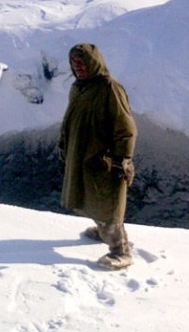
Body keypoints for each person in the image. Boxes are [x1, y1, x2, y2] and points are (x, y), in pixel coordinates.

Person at [58, 43, 138, 270]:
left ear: (94, 63)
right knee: (88, 197)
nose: (79, 68)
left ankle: (120, 250)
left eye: (83, 63)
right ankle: (104, 230)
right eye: (74, 64)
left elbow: (126, 127)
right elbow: (70, 120)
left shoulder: (109, 89)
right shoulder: (79, 88)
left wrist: (123, 158)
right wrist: (64, 146)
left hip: (105, 159)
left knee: (107, 205)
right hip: (82, 157)